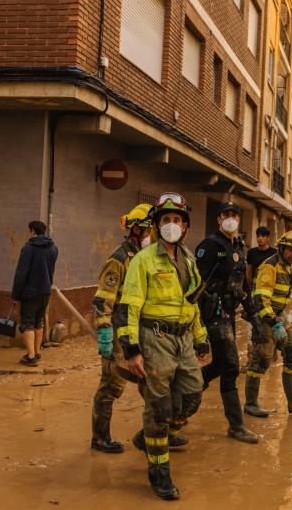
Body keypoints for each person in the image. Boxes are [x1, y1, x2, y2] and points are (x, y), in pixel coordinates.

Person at [118, 192, 209, 500]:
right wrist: (131, 350)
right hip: (154, 338)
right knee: (160, 410)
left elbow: (193, 303)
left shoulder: (188, 259)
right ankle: (160, 474)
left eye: (177, 220)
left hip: (183, 339)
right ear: (158, 225)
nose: (172, 225)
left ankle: (149, 438)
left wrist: (200, 337)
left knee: (192, 397)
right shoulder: (143, 260)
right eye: (166, 220)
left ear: (185, 227)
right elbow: (128, 305)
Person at [89, 203, 153, 454]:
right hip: (118, 329)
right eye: (148, 231)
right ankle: (100, 437)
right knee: (112, 384)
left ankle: (154, 432)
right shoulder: (119, 259)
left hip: (141, 329)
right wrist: (104, 332)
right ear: (136, 231)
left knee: (151, 381)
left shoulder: (148, 258)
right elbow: (103, 298)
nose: (151, 236)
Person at [195, 201, 259, 444]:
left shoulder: (238, 245)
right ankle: (236, 426)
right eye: (226, 214)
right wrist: (198, 325)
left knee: (222, 365)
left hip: (229, 314)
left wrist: (252, 313)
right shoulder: (210, 246)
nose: (231, 218)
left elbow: (242, 284)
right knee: (231, 367)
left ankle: (188, 389)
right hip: (213, 315)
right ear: (219, 219)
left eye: (234, 214)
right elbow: (195, 285)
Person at [244, 230, 292, 418]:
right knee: (260, 360)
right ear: (282, 248)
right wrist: (273, 323)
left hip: (278, 316)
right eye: (290, 250)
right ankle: (251, 404)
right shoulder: (270, 266)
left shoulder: (288, 267)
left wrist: (281, 317)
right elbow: (260, 299)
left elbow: (280, 297)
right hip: (264, 318)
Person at [11, 220, 58, 367]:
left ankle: (30, 357)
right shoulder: (53, 248)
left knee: (27, 323)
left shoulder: (28, 249)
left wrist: (15, 294)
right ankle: (37, 352)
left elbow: (21, 273)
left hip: (30, 292)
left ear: (32, 231)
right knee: (39, 321)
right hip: (45, 291)